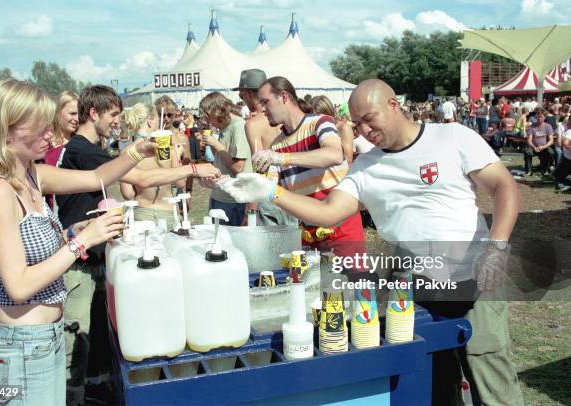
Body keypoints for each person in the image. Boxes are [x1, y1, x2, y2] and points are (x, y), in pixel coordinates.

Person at [223, 78, 524, 406]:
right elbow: (327, 212)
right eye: (356, 123)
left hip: (475, 279)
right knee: (432, 381)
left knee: (490, 378)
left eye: (370, 118)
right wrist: (271, 192)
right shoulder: (366, 166)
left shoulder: (451, 136)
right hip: (412, 286)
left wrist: (497, 247)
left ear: (393, 105)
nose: (363, 130)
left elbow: (504, 187)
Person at [0, 79, 156, 404]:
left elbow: (96, 178)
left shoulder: (32, 174)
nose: (50, 135)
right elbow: (17, 286)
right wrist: (82, 241)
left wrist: (137, 151)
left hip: (45, 336)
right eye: (40, 128)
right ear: (8, 130)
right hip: (24, 342)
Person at [56, 86, 217, 404]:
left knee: (97, 337)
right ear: (94, 113)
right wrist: (193, 169)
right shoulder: (82, 149)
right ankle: (71, 398)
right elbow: (139, 180)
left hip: (93, 255)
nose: (117, 121)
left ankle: (95, 391)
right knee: (77, 344)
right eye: (113, 115)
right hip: (77, 260)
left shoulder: (91, 147)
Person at [250, 76, 365, 255]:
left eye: (266, 102)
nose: (261, 109)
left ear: (284, 97)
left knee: (355, 281)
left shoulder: (320, 122)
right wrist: (246, 183)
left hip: (342, 230)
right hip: (310, 234)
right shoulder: (277, 145)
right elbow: (272, 189)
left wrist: (281, 158)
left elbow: (334, 155)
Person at [119, 103, 220, 226]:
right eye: (157, 119)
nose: (159, 122)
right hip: (167, 211)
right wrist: (177, 154)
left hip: (141, 212)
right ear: (150, 122)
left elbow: (128, 194)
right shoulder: (166, 146)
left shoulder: (126, 152)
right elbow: (180, 183)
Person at [233, 68, 292, 226]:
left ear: (249, 94)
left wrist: (251, 208)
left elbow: (259, 168)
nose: (242, 99)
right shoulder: (287, 116)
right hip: (294, 193)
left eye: (241, 95)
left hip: (269, 196)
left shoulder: (254, 124)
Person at [198, 92, 252, 226]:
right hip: (219, 196)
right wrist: (210, 144)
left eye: (208, 117)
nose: (207, 121)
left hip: (233, 201)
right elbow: (221, 157)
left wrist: (215, 143)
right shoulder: (224, 127)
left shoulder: (238, 126)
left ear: (217, 112)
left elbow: (238, 167)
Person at [43, 91, 79, 211]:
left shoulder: (80, 144)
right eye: (72, 113)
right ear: (58, 112)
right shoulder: (43, 143)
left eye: (80, 114)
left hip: (72, 209)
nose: (77, 119)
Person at [310, 95, 355, 165]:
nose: (317, 120)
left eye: (320, 117)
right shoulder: (312, 130)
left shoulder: (343, 128)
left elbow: (348, 159)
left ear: (329, 112)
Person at [524, 108, 555, 177]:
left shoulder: (548, 126)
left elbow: (551, 140)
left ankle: (546, 170)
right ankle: (529, 171)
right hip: (533, 147)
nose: (539, 118)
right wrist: (534, 147)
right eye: (538, 117)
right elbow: (529, 140)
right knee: (527, 152)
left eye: (541, 117)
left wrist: (543, 147)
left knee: (551, 152)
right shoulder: (532, 126)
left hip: (544, 147)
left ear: (544, 118)